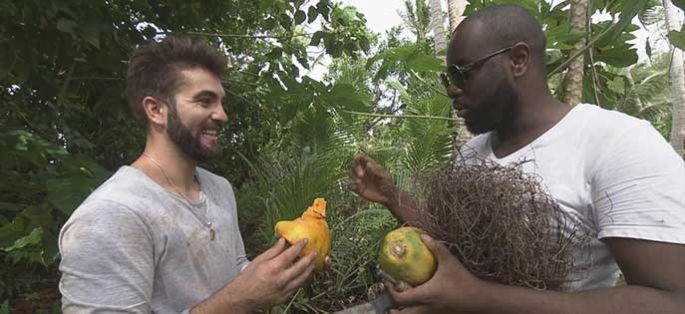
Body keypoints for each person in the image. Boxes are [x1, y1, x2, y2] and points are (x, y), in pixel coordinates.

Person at [349, 4, 685, 313]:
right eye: (448, 78)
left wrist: (477, 297)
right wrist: (393, 197)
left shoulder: (617, 143)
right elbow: (457, 249)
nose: (452, 89)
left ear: (518, 60)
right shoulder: (472, 153)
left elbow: (672, 300)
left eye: (462, 73)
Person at [58, 36, 323, 313]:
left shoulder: (218, 188)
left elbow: (234, 273)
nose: (222, 115)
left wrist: (287, 265)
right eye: (204, 101)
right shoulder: (111, 214)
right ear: (156, 110)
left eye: (221, 103)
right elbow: (237, 296)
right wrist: (239, 299)